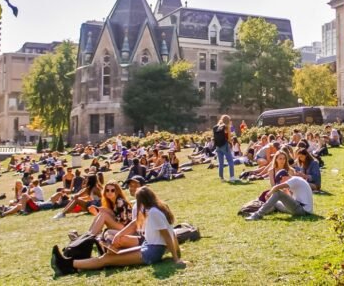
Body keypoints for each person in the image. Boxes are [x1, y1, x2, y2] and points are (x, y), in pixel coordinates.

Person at [50, 186, 185, 276]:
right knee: (108, 255)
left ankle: (67, 265)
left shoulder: (154, 212)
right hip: (147, 247)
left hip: (151, 252)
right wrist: (120, 234)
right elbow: (135, 223)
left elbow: (168, 235)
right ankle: (70, 263)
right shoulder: (150, 209)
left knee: (107, 259)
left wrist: (176, 258)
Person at [246, 170, 313, 220]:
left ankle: (258, 215)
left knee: (278, 193)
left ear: (283, 178)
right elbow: (292, 200)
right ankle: (260, 212)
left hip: (303, 210)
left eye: (280, 182)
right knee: (276, 203)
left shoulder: (294, 179)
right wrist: (286, 192)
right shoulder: (295, 181)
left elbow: (276, 187)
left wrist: (269, 194)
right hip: (301, 209)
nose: (281, 183)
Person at [213, 114, 237, 182]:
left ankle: (221, 178)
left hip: (218, 146)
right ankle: (232, 177)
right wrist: (230, 144)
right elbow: (229, 138)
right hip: (225, 146)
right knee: (230, 161)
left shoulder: (216, 127)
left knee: (221, 163)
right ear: (228, 120)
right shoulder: (227, 127)